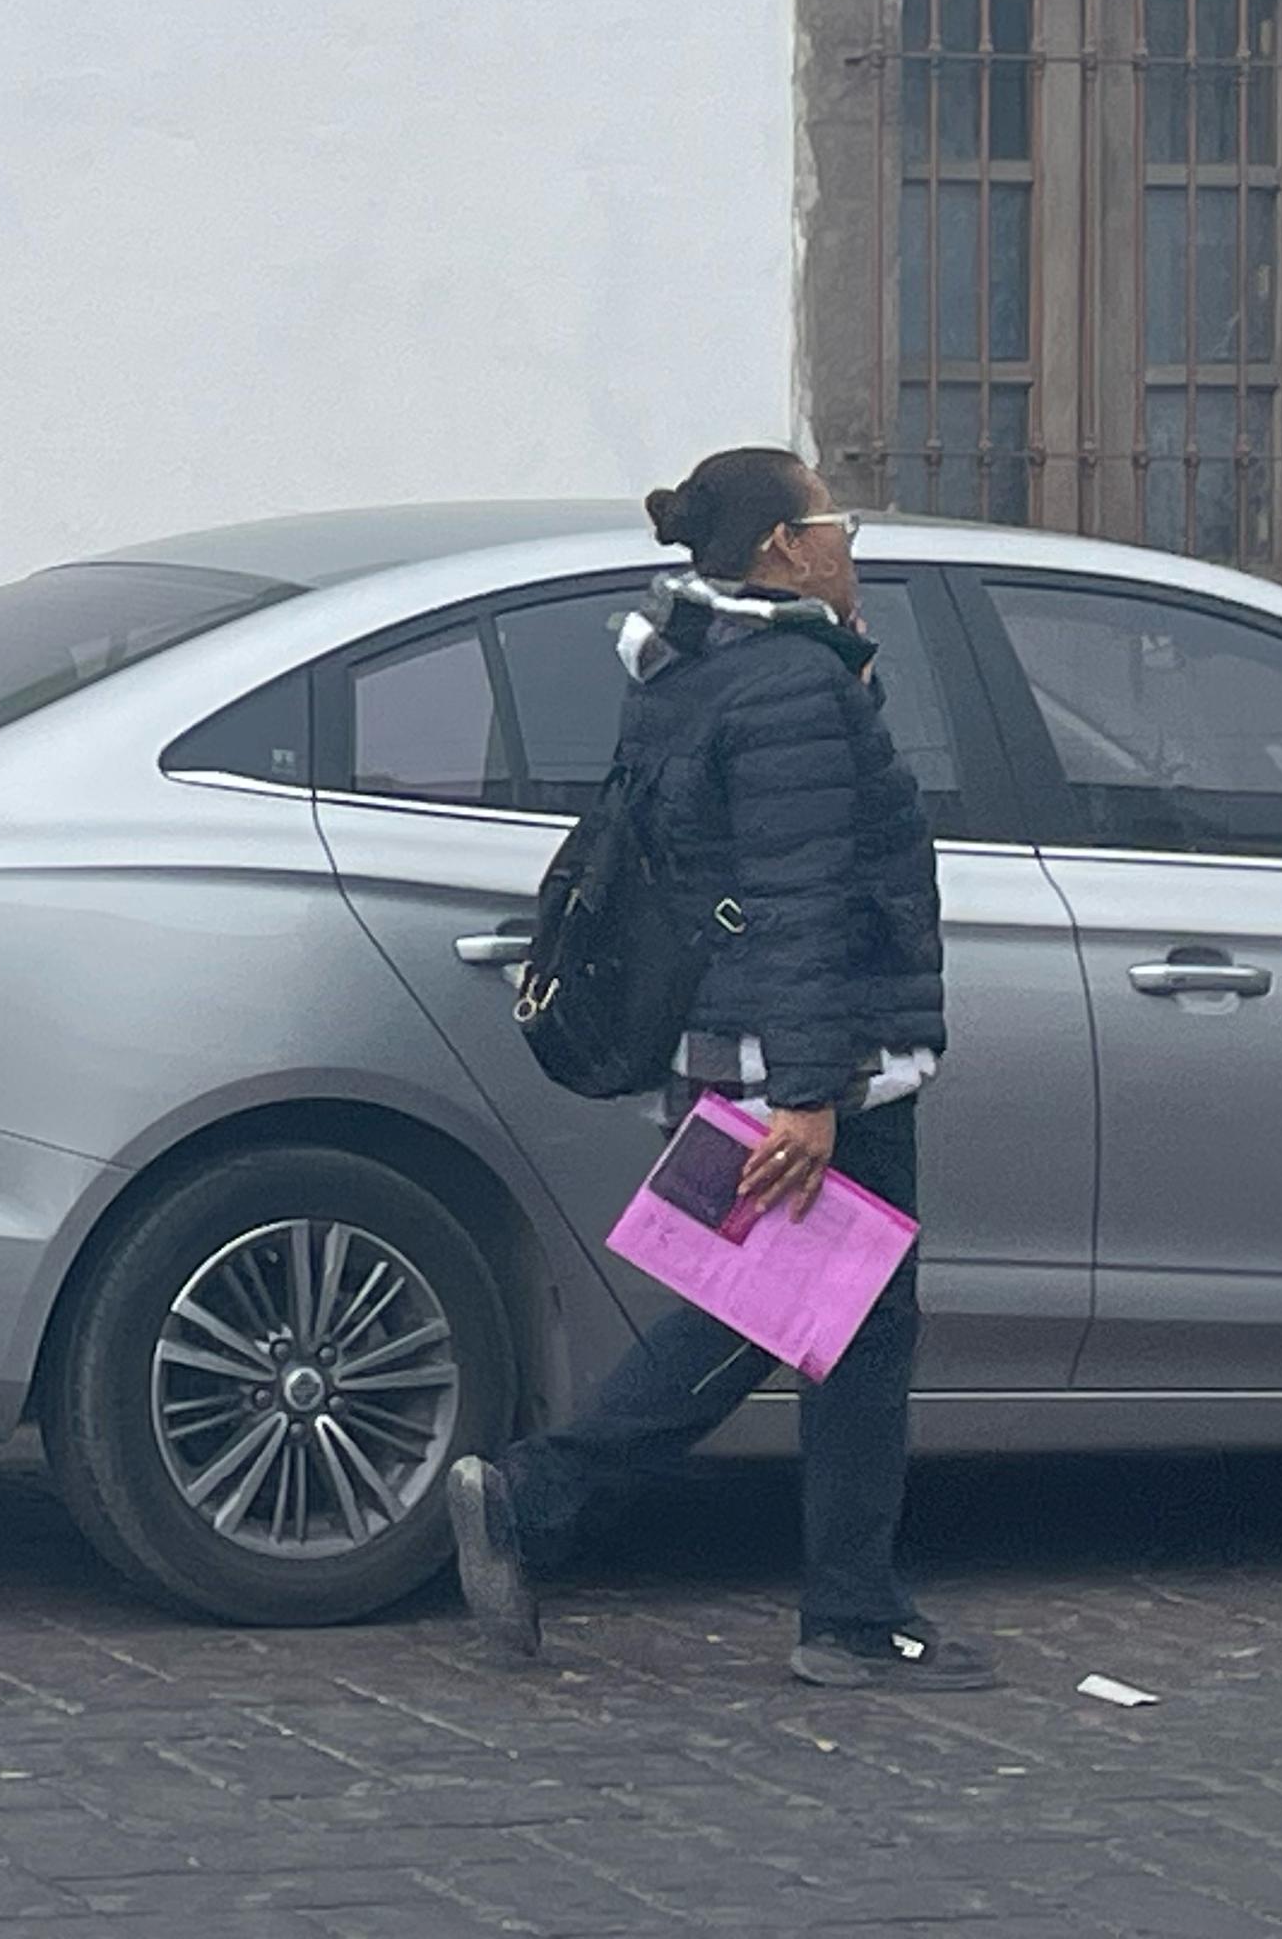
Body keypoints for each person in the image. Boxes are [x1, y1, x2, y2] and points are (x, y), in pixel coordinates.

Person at [448, 447, 992, 1692]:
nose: (853, 543)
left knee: (786, 1316)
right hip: (805, 1063)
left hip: (730, 1045)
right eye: (837, 522)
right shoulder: (795, 685)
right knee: (839, 1325)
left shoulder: (692, 672)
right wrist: (807, 1090)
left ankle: (837, 1605)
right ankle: (823, 1609)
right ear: (783, 550)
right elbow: (802, 896)